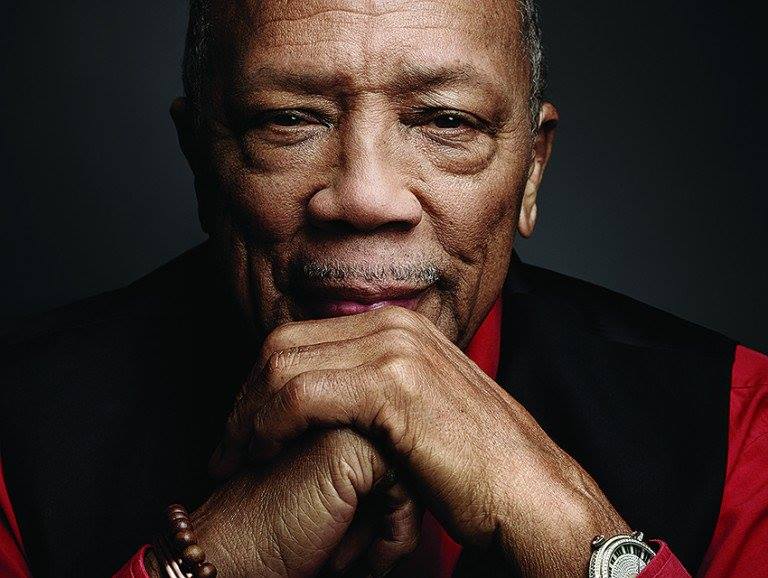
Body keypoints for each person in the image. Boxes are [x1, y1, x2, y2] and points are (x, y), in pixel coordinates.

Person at [1, 0, 766, 576]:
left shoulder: (738, 422)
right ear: (201, 160)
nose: (365, 197)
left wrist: (568, 531)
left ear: (531, 170)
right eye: (288, 119)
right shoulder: (18, 430)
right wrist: (220, 556)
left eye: (446, 121)